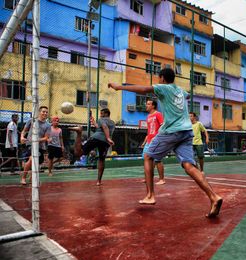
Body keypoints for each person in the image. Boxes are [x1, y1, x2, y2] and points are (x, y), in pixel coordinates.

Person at [108, 68, 223, 218]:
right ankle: (214, 197)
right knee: (189, 165)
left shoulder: (163, 88)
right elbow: (187, 96)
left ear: (162, 78)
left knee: (148, 156)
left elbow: (144, 89)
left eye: (158, 77)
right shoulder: (181, 91)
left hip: (172, 131)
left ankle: (150, 195)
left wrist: (119, 87)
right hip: (187, 131)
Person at [69, 108, 115, 186]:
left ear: (106, 114)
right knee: (101, 159)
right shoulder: (113, 123)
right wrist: (93, 120)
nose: (100, 115)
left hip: (96, 138)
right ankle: (99, 181)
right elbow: (99, 127)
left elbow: (104, 127)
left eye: (101, 113)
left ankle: (79, 132)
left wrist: (108, 138)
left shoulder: (101, 119)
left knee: (78, 153)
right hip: (105, 142)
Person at [20, 106, 51, 185]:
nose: (45, 113)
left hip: (40, 146)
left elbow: (46, 137)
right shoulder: (31, 120)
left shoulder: (48, 125)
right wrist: (22, 137)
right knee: (31, 159)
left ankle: (31, 178)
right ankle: (23, 178)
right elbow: (24, 131)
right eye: (43, 111)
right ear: (39, 112)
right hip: (30, 144)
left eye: (46, 112)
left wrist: (37, 140)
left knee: (36, 162)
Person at [141, 99, 165, 185]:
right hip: (149, 141)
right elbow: (149, 130)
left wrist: (159, 138)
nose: (146, 105)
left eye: (148, 104)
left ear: (153, 106)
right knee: (146, 159)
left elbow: (163, 127)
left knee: (158, 160)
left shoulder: (158, 114)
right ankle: (148, 177)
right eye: (146, 104)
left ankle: (162, 179)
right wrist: (145, 141)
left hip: (157, 140)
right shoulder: (148, 116)